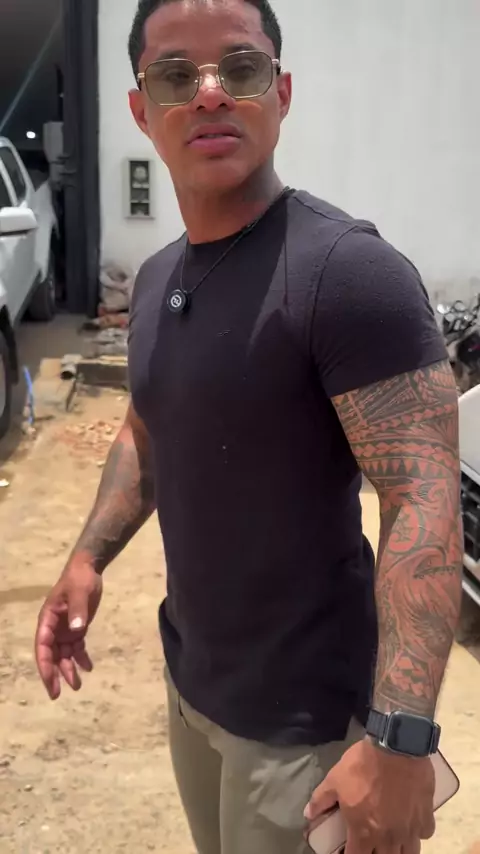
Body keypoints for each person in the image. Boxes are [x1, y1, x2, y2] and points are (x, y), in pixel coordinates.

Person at [35, 1, 463, 853]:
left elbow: (423, 498)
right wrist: (86, 559)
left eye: (240, 67)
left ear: (282, 92)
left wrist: (400, 737)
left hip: (309, 733)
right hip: (196, 690)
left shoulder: (347, 275)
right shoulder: (159, 278)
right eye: (175, 75)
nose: (209, 93)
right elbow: (148, 428)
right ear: (140, 110)